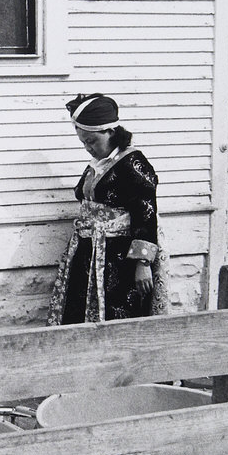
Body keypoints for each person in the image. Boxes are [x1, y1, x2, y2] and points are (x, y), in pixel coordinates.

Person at [47, 93, 170, 325]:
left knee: (118, 313)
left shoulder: (133, 164)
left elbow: (146, 213)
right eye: (83, 142)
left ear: (110, 132)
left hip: (120, 257)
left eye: (92, 141)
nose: (87, 148)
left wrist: (142, 264)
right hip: (89, 252)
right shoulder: (99, 164)